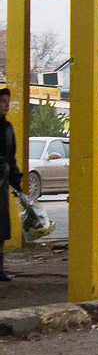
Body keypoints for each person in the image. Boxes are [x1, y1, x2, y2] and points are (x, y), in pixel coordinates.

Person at [0, 89, 21, 281]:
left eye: (8, 101)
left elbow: (11, 156)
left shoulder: (8, 128)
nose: (6, 105)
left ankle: (0, 268)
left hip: (2, 183)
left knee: (2, 226)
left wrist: (15, 179)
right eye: (3, 101)